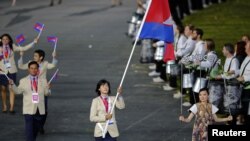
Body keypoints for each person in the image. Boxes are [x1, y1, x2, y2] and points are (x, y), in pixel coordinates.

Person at [18, 49, 58, 134]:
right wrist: (21, 56)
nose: (34, 57)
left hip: (42, 88)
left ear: (41, 57)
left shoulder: (45, 64)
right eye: (34, 55)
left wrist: (54, 57)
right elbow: (21, 66)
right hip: (32, 87)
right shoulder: (31, 63)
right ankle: (34, 125)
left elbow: (53, 65)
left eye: (36, 56)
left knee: (44, 110)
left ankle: (40, 125)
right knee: (33, 107)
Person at [9, 61, 49, 141]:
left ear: (38, 70)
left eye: (35, 68)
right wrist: (12, 85)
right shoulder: (23, 81)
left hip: (39, 110)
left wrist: (48, 88)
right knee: (29, 130)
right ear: (28, 69)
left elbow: (46, 93)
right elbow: (17, 91)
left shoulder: (43, 80)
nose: (33, 70)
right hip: (28, 109)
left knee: (35, 131)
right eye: (31, 68)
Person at [0, 33, 38, 114]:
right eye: (3, 39)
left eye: (6, 39)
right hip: (2, 70)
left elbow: (23, 48)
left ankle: (11, 107)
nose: (5, 40)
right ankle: (4, 105)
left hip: (12, 70)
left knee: (11, 88)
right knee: (3, 88)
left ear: (9, 40)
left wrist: (33, 43)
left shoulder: (12, 47)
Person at [236, 41, 250, 125]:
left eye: (247, 45)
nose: (245, 47)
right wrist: (235, 71)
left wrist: (244, 78)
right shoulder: (247, 57)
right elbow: (243, 70)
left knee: (247, 109)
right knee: (244, 107)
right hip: (243, 87)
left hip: (248, 88)